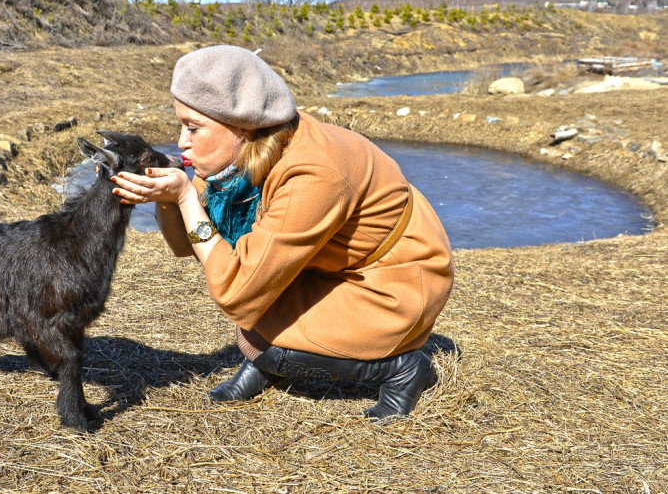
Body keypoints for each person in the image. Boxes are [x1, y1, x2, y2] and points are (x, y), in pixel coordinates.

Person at [111, 45, 454, 421]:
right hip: (330, 269)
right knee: (256, 325)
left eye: (193, 128)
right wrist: (168, 200)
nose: (181, 142)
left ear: (241, 125)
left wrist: (185, 197)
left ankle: (403, 369)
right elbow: (186, 245)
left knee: (268, 346)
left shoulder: (313, 173)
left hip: (394, 281)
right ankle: (264, 359)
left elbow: (236, 292)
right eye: (181, 125)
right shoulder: (246, 152)